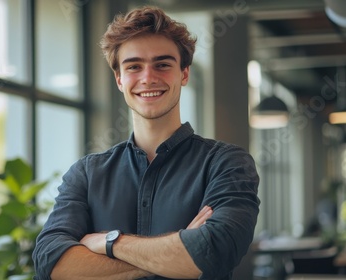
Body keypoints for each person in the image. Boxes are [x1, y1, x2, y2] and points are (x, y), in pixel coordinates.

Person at [32, 6, 260, 280]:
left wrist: (109, 243)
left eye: (162, 64)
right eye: (134, 66)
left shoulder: (227, 164)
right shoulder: (87, 174)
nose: (148, 77)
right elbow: (51, 263)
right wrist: (178, 250)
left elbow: (215, 252)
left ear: (184, 74)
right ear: (119, 79)